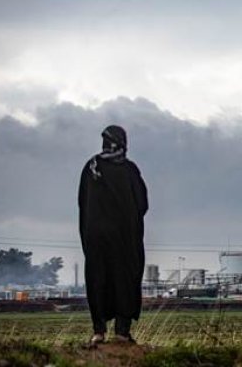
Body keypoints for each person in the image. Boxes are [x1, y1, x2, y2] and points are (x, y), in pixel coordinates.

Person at [78, 125, 148, 345]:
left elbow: (82, 202)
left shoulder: (92, 167)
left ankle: (99, 331)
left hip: (95, 238)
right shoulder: (129, 170)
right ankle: (121, 332)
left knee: (98, 279)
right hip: (124, 240)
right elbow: (142, 203)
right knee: (124, 280)